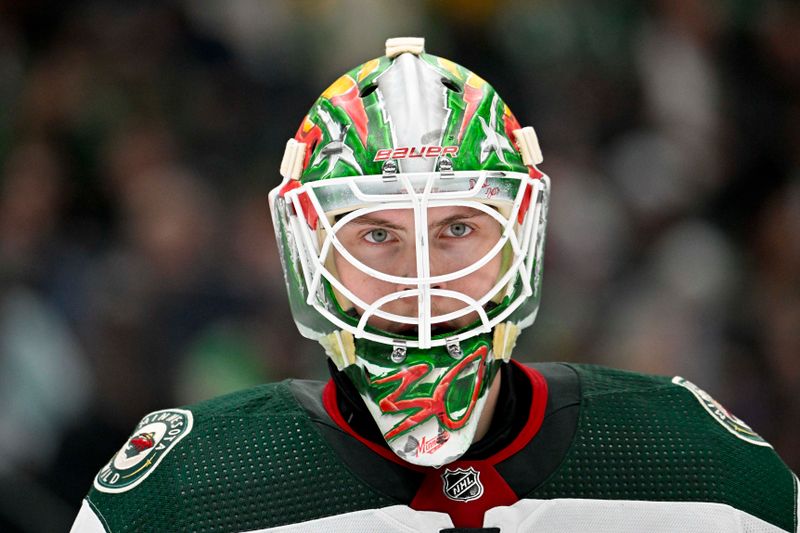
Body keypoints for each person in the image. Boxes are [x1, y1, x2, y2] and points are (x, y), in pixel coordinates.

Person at [71, 37, 799, 533]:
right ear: (305, 250)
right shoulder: (186, 496)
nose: (421, 280)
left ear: (523, 237)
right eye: (377, 233)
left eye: (458, 228)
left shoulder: (701, 468)